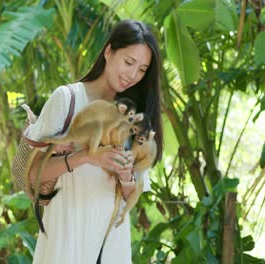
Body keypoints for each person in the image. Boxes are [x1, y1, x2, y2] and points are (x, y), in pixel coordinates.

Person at [25, 19, 164, 263]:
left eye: (142, 69)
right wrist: (86, 156)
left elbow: (132, 191)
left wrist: (125, 176)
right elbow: (34, 172)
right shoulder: (66, 99)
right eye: (129, 62)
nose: (133, 75)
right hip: (67, 238)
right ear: (109, 51)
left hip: (111, 245)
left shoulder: (135, 117)